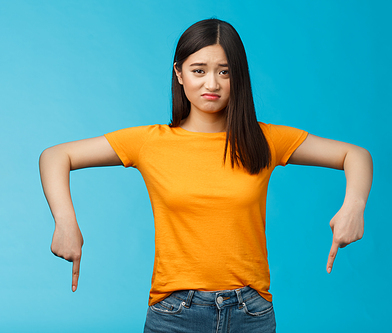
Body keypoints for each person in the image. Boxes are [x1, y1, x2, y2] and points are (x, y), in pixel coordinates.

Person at [39, 18, 372, 333]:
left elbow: (355, 155)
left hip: (250, 312)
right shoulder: (149, 142)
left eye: (224, 72)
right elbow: (56, 156)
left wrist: (353, 206)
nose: (211, 83)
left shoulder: (264, 140)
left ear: (237, 77)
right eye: (199, 70)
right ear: (179, 73)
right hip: (175, 313)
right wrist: (66, 222)